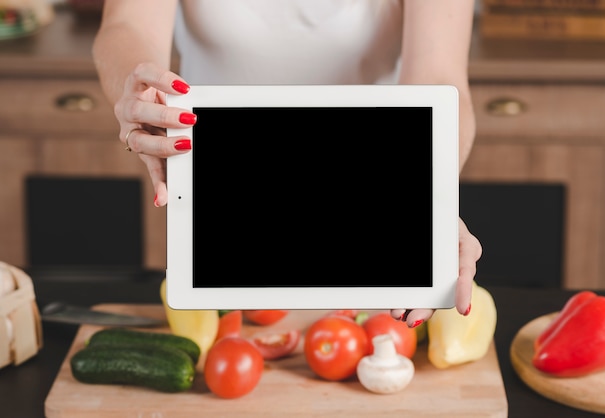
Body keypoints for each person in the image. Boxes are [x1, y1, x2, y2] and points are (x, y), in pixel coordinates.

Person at [92, 0, 482, 327]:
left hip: (378, 216)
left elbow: (440, 76)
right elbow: (127, 25)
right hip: (214, 211)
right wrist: (142, 93)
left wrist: (432, 199)